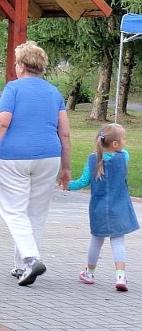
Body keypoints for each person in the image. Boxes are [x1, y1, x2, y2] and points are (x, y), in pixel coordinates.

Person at [0, 40, 71, 287]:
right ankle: (21, 265)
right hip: (49, 157)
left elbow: (2, 122)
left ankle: (31, 259)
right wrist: (66, 168)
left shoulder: (14, 89)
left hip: (14, 157)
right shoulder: (54, 93)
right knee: (36, 212)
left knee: (13, 210)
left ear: (20, 65)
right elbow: (65, 133)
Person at [66, 123, 139, 292]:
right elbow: (121, 155)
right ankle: (120, 276)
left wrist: (67, 185)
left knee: (96, 240)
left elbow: (82, 182)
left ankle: (89, 272)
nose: (125, 142)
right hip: (119, 207)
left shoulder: (92, 160)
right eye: (123, 139)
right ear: (115, 144)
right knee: (118, 241)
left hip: (98, 209)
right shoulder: (124, 157)